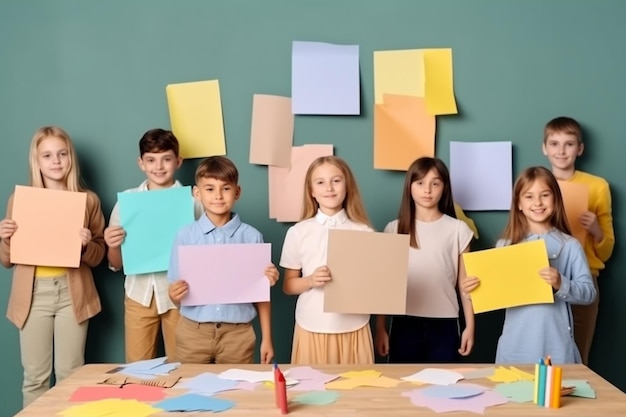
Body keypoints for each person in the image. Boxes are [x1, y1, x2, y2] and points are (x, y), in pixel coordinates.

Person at [0, 126, 105, 407]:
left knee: (71, 374)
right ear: (37, 161)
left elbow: (99, 256)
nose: (56, 161)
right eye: (47, 155)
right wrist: (6, 238)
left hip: (73, 293)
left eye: (62, 154)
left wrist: (86, 246)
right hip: (34, 294)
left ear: (70, 157)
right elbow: (7, 260)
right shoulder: (20, 200)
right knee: (35, 376)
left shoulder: (88, 201)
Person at [462, 166, 596, 364]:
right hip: (515, 346)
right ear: (518, 204)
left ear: (556, 199)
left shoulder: (570, 246)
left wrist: (561, 282)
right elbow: (493, 294)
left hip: (556, 346)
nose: (538, 203)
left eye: (545, 195)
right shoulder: (505, 245)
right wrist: (471, 292)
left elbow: (589, 294)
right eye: (529, 196)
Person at [167, 156, 278, 364]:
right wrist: (174, 295)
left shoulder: (252, 237)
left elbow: (262, 297)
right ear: (197, 193)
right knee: (189, 390)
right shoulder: (185, 236)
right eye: (209, 189)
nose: (218, 196)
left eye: (225, 188)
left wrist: (267, 339)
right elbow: (175, 293)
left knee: (236, 393)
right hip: (193, 332)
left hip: (238, 335)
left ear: (237, 192)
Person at [104, 128, 202, 363]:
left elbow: (204, 254)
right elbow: (115, 263)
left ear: (178, 161)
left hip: (180, 296)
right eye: (151, 160)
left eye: (166, 159)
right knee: (137, 368)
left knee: (182, 365)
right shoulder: (127, 203)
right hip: (138, 294)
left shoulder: (193, 203)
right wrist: (112, 245)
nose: (159, 167)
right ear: (141, 163)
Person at [375, 157, 474, 363]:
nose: (427, 190)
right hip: (404, 322)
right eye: (420, 183)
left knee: (445, 387)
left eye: (435, 183)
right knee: (403, 386)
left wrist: (470, 326)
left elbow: (465, 285)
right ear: (410, 187)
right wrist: (381, 327)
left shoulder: (458, 230)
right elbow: (384, 284)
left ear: (444, 188)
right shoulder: (394, 229)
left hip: (445, 322)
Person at [281, 155, 375, 365]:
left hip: (354, 325)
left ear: (347, 185)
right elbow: (288, 285)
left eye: (336, 180)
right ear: (311, 191)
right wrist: (311, 280)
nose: (329, 188)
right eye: (320, 182)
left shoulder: (364, 232)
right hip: (312, 324)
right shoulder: (299, 232)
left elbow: (373, 284)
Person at [542, 116, 614, 365]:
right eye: (554, 144)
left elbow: (605, 252)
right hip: (543, 275)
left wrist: (596, 230)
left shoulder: (597, 187)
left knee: (578, 355)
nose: (561, 151)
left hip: (582, 278)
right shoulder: (536, 184)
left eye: (569, 144)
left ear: (580, 149)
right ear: (544, 148)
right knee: (541, 353)